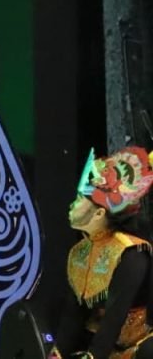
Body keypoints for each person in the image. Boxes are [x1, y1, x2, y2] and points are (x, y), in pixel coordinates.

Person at [51, 147, 153, 359]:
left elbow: (115, 317)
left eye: (80, 199)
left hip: (137, 342)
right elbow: (73, 315)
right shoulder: (80, 251)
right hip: (101, 337)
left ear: (98, 213)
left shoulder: (130, 253)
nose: (72, 204)